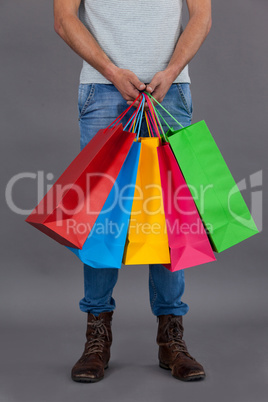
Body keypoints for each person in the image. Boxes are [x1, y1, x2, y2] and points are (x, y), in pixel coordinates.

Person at [54, 0, 212, 383]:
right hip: (103, 90)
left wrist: (172, 72)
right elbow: (63, 18)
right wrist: (110, 71)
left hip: (170, 91)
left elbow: (202, 16)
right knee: (102, 219)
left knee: (170, 216)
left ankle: (171, 335)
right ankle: (97, 334)